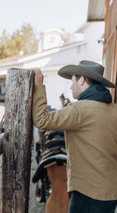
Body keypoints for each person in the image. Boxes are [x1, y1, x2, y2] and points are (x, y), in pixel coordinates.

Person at [33, 60, 117, 213]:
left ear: (82, 80)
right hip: (111, 192)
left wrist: (39, 86)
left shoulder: (79, 110)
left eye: (72, 80)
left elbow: (41, 120)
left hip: (88, 192)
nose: (71, 86)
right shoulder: (114, 110)